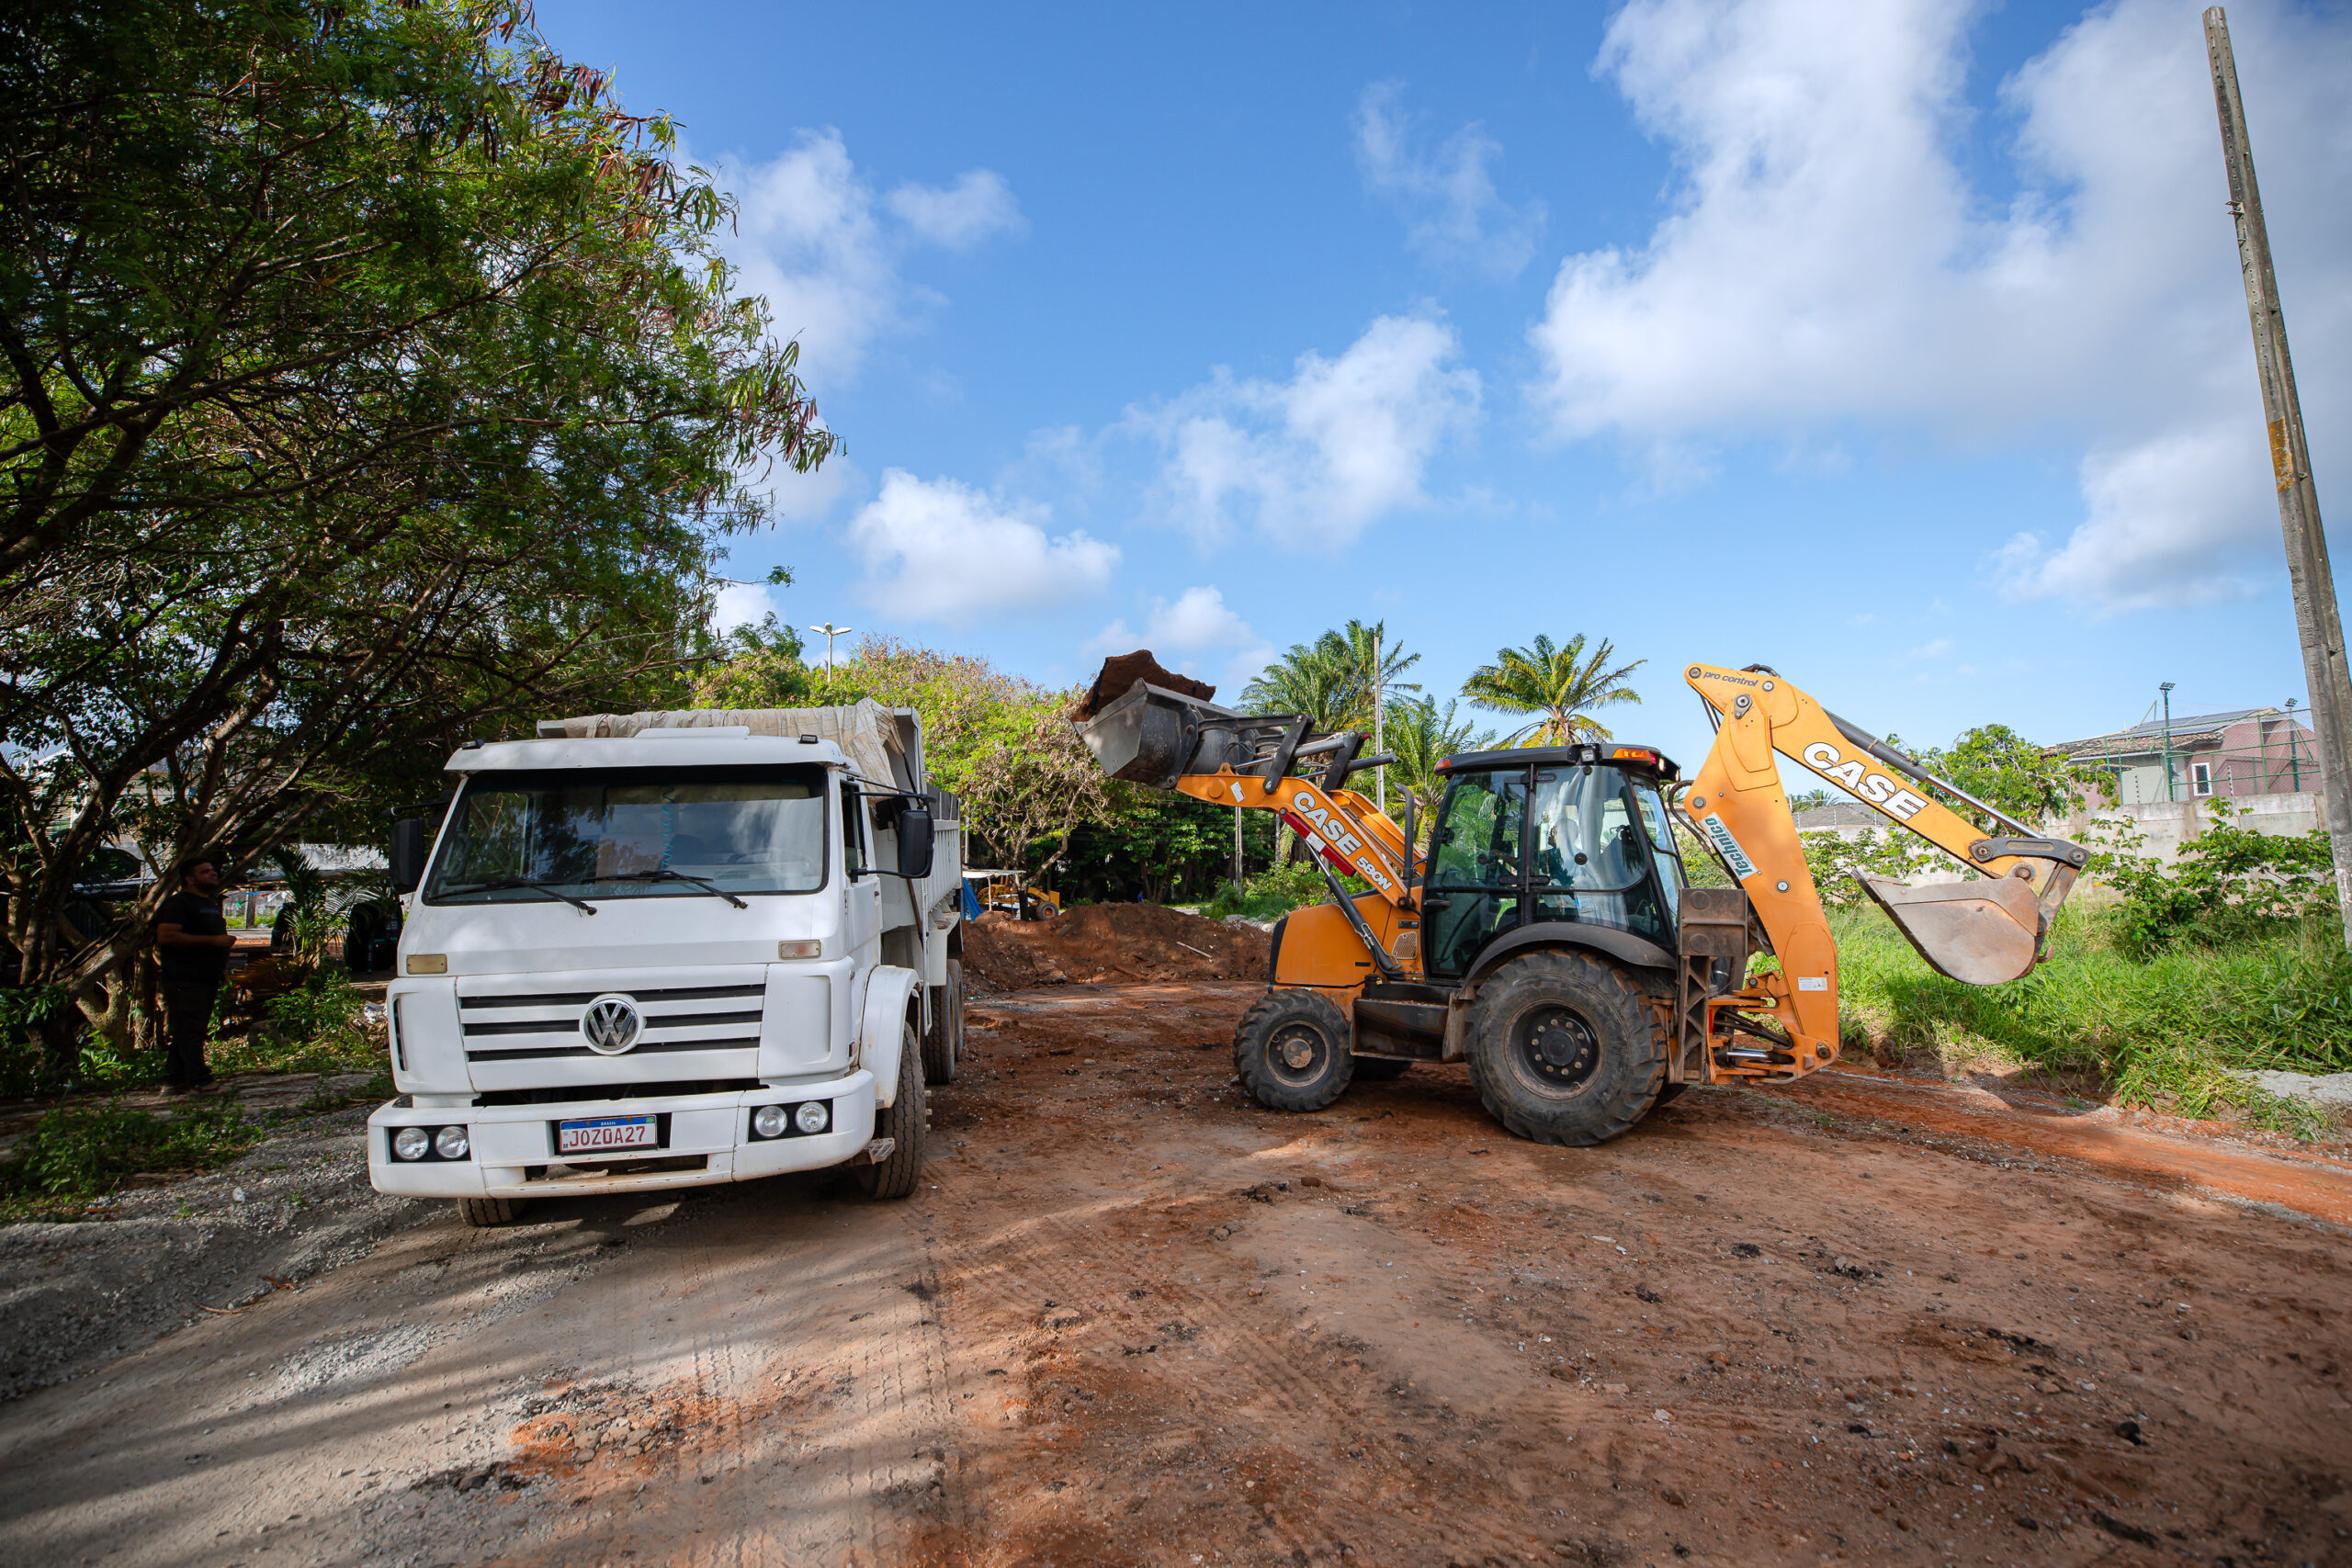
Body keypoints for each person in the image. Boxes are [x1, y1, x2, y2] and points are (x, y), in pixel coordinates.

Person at [155, 852, 236, 1093]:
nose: (213, 873)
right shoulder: (179, 903)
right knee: (191, 1030)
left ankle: (174, 1080)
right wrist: (213, 941)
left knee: (188, 1029)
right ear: (189, 879)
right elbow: (166, 936)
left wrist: (220, 968)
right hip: (184, 977)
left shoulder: (207, 904)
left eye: (212, 869)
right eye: (205, 871)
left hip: (206, 977)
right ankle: (200, 1081)